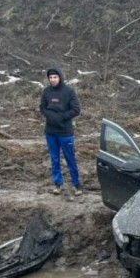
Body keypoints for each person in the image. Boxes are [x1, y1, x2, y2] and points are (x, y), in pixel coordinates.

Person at [39, 65, 82, 196]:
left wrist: (61, 117)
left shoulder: (69, 91)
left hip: (65, 132)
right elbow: (42, 107)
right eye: (50, 77)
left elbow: (76, 109)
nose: (53, 79)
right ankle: (58, 184)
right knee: (54, 159)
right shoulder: (46, 92)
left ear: (60, 77)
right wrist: (50, 116)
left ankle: (76, 185)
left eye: (55, 77)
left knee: (70, 159)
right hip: (50, 132)